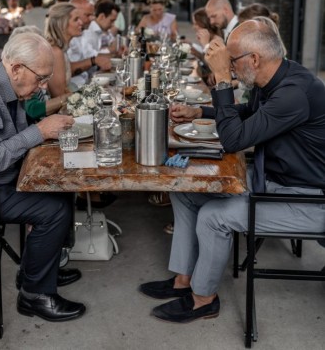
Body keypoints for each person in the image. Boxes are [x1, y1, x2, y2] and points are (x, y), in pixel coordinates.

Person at [139, 19, 325, 323]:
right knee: (186, 191)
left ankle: (203, 299)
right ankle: (183, 280)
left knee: (214, 217)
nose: (230, 66)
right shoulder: (278, 76)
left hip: (307, 200)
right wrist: (201, 111)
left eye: (232, 60)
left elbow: (235, 139)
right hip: (271, 179)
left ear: (254, 59)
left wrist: (222, 80)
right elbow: (251, 114)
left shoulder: (295, 92)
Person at [0, 32, 85, 322]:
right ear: (16, 69)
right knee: (54, 209)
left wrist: (39, 124)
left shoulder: (2, 82)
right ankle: (34, 294)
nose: (42, 87)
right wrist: (38, 132)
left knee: (63, 187)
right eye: (40, 79)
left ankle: (40, 267)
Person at [68, 0, 119, 87]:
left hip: (85, 83)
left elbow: (94, 56)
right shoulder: (65, 41)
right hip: (77, 86)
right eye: (87, 15)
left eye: (92, 15)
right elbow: (67, 71)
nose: (92, 19)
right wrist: (94, 60)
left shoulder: (81, 34)